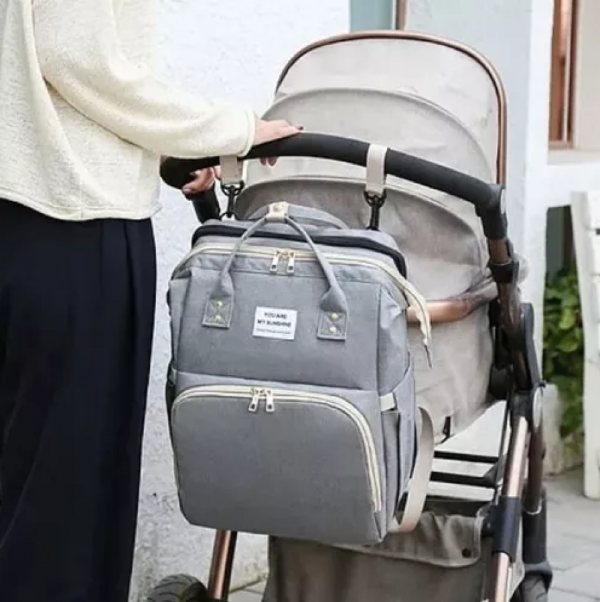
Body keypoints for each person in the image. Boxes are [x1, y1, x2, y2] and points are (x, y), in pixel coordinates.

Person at [0, 1, 299, 601]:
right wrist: (230, 129)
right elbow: (76, 55)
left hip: (31, 219)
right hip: (73, 220)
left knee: (30, 476)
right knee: (69, 492)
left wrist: (164, 147)